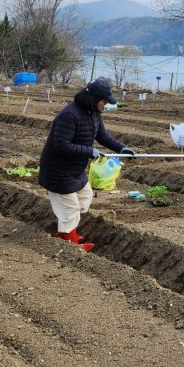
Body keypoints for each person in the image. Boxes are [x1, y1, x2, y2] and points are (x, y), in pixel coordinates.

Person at [38, 79, 135, 251]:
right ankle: (69, 243)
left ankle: (66, 233)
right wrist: (89, 151)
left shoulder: (93, 113)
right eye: (104, 101)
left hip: (75, 169)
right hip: (58, 170)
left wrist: (122, 148)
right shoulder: (69, 115)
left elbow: (102, 136)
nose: (105, 105)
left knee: (85, 198)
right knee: (70, 209)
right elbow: (61, 145)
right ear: (94, 98)